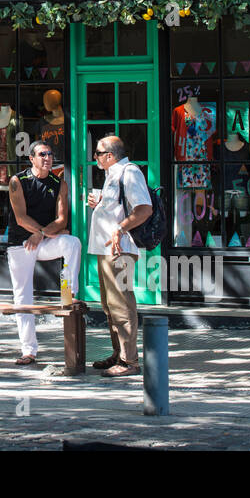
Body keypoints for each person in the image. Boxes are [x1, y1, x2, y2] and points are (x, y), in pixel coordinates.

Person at [6, 141, 81, 366]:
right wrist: (41, 232)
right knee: (22, 296)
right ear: (32, 158)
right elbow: (20, 217)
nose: (47, 158)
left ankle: (68, 294)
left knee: (72, 242)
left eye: (50, 154)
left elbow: (62, 219)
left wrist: (41, 234)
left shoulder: (60, 183)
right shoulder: (17, 181)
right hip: (21, 244)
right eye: (42, 154)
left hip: (43, 240)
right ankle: (28, 350)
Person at [86, 135, 152, 377]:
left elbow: (144, 208)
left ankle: (129, 361)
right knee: (109, 306)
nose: (95, 157)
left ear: (110, 155)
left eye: (98, 153)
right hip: (106, 249)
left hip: (120, 249)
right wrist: (100, 203)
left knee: (121, 305)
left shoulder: (130, 172)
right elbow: (118, 206)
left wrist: (121, 228)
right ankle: (119, 354)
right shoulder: (112, 174)